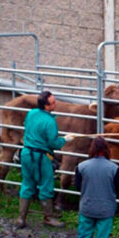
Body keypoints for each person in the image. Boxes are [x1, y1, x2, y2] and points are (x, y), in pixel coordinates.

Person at [17, 91, 75, 228]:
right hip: (41, 156)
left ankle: (21, 218)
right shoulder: (50, 122)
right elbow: (53, 143)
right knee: (46, 184)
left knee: (27, 183)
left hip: (26, 153)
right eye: (53, 103)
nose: (56, 104)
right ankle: (48, 217)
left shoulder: (31, 113)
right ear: (46, 106)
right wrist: (65, 140)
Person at [75, 137, 119, 238]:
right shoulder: (114, 168)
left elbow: (78, 186)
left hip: (87, 208)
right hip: (106, 210)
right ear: (107, 150)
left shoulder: (82, 166)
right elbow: (118, 187)